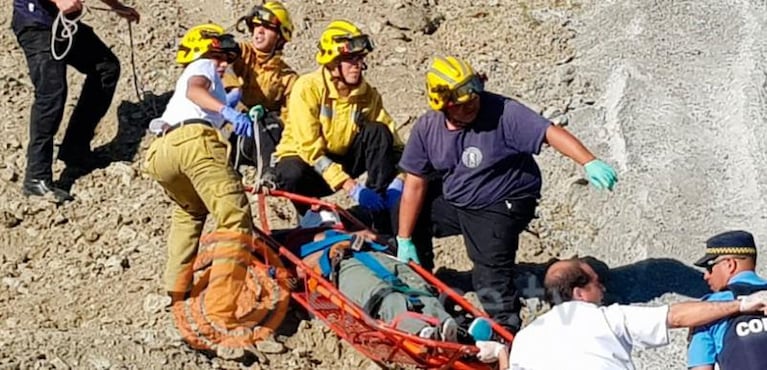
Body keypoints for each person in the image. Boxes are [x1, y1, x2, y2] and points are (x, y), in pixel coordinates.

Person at [394, 56, 618, 333]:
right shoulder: (428, 128)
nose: (474, 103)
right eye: (464, 102)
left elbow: (549, 133)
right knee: (405, 216)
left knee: (488, 274)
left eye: (475, 95)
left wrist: (588, 161)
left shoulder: (502, 111)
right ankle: (420, 275)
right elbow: (414, 184)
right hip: (459, 197)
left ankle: (506, 330)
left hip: (503, 199)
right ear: (445, 105)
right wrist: (404, 239)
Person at [141, 24, 257, 354]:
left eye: (228, 59)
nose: (222, 63)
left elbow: (195, 98)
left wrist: (229, 104)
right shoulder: (201, 67)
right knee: (235, 219)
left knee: (190, 212)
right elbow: (196, 91)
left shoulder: (207, 83)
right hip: (194, 141)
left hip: (162, 153)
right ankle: (222, 312)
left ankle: (176, 290)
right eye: (219, 56)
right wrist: (228, 111)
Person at [476, 258, 767, 370]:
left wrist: (503, 354)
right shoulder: (604, 317)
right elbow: (676, 317)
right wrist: (740, 305)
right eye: (595, 282)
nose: (601, 288)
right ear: (579, 292)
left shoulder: (526, 339)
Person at [273, 20, 404, 220]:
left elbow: (392, 140)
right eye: (350, 59)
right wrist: (351, 187)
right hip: (307, 165)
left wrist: (402, 177)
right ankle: (312, 216)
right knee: (291, 173)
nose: (357, 66)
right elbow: (309, 148)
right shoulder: (308, 87)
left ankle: (378, 208)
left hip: (341, 160)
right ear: (333, 63)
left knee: (378, 131)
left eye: (360, 59)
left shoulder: (367, 94)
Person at [12, 0, 140, 203]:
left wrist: (117, 7)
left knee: (106, 68)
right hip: (36, 24)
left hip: (61, 23)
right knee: (51, 94)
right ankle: (36, 177)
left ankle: (75, 150)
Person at [224, 1, 298, 170]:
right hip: (231, 129)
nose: (259, 32)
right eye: (256, 26)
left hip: (264, 138)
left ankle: (268, 173)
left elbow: (291, 121)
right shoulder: (242, 54)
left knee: (270, 122)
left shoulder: (287, 78)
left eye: (266, 27)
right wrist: (233, 90)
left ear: (280, 36)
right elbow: (222, 62)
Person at [687, 230, 767, 370]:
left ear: (730, 264)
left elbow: (701, 368)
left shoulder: (709, 310)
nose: (706, 276)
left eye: (710, 267)